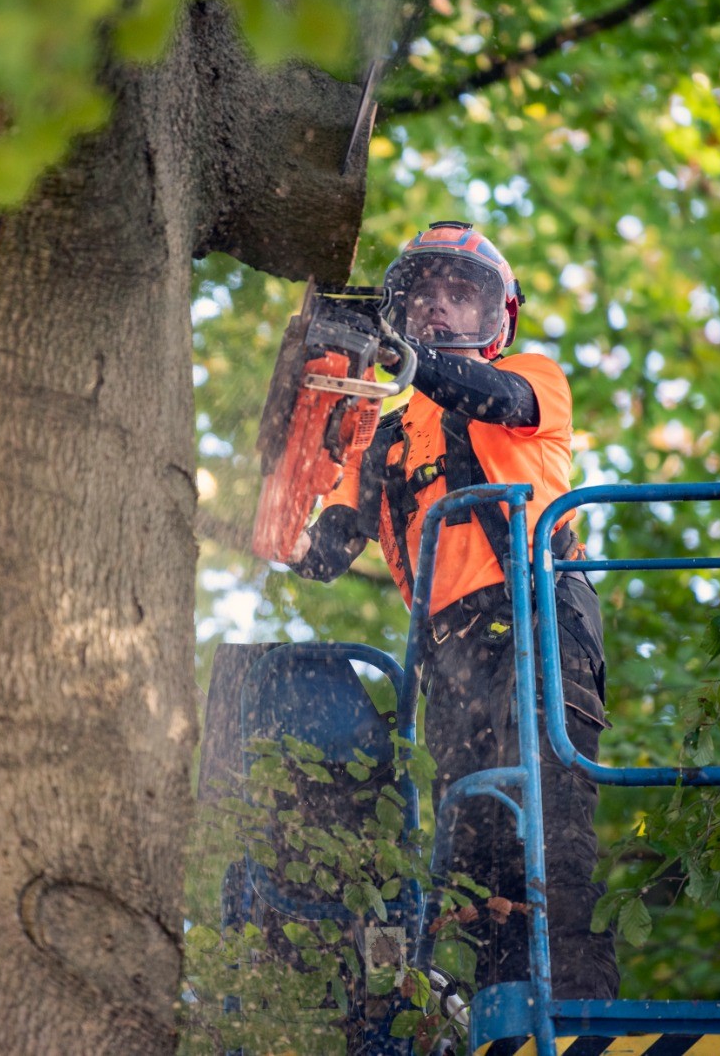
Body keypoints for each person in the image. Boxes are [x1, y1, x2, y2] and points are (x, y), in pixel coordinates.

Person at [284, 221, 618, 1000]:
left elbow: (488, 393)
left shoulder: (532, 382)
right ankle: (496, 1008)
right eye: (422, 292)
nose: (438, 306)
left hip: (537, 626)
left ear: (497, 317)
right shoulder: (385, 434)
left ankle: (573, 1020)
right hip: (450, 664)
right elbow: (326, 550)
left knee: (548, 840)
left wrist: (409, 360)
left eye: (459, 293)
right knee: (473, 869)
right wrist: (314, 429)